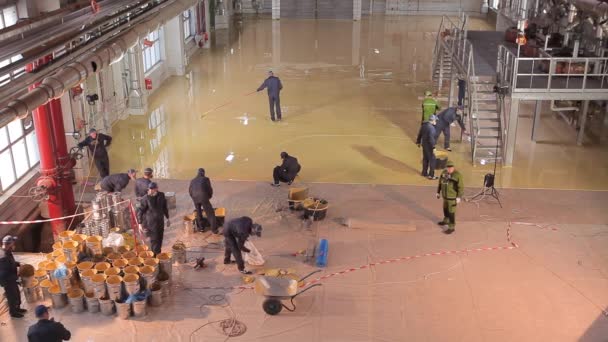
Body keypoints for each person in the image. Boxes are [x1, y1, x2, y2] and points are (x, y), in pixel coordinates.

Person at [137, 182, 169, 255]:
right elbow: (140, 211)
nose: (151, 191)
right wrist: (139, 223)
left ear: (157, 189)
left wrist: (167, 218)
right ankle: (155, 256)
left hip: (160, 221)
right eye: (150, 189)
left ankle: (158, 253)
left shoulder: (161, 195)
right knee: (154, 240)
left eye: (153, 189)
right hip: (151, 223)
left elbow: (164, 207)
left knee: (160, 238)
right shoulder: (145, 198)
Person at [0, 235, 26, 318]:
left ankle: (17, 308)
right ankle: (13, 312)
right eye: (13, 243)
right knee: (12, 296)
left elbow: (12, 263)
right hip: (8, 281)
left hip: (12, 278)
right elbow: (4, 274)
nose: (14, 245)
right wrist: (17, 277)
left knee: (17, 294)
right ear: (8, 245)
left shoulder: (8, 252)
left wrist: (19, 264)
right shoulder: (3, 257)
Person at [436, 160, 464, 234]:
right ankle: (446, 220)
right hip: (445, 197)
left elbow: (461, 187)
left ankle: (451, 227)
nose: (449, 169)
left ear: (453, 167)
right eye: (448, 168)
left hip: (452, 198)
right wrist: (438, 192)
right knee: (445, 210)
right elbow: (440, 183)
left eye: (451, 168)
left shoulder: (457, 175)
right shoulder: (443, 173)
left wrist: (459, 197)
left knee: (451, 212)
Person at [189, 168, 218, 233]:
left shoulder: (192, 180)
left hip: (194, 197)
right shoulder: (206, 179)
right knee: (210, 213)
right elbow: (209, 189)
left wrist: (194, 198)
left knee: (198, 212)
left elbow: (190, 191)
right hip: (203, 196)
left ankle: (201, 228)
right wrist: (209, 197)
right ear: (203, 173)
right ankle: (214, 229)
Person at [416, 115, 438, 180]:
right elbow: (431, 139)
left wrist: (418, 141)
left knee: (425, 159)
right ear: (433, 120)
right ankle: (431, 175)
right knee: (432, 160)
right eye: (435, 120)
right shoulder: (432, 128)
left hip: (424, 145)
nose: (436, 122)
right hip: (429, 146)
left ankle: (424, 173)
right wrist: (433, 147)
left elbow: (420, 134)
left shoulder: (424, 125)